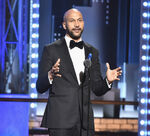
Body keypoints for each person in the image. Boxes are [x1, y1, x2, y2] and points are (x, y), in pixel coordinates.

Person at [36, 8, 122, 136]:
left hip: (85, 122)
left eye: (80, 20)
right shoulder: (51, 50)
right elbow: (40, 87)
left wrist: (107, 81)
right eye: (72, 21)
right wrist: (50, 75)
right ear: (64, 25)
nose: (77, 24)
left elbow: (97, 89)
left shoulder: (92, 51)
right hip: (60, 121)